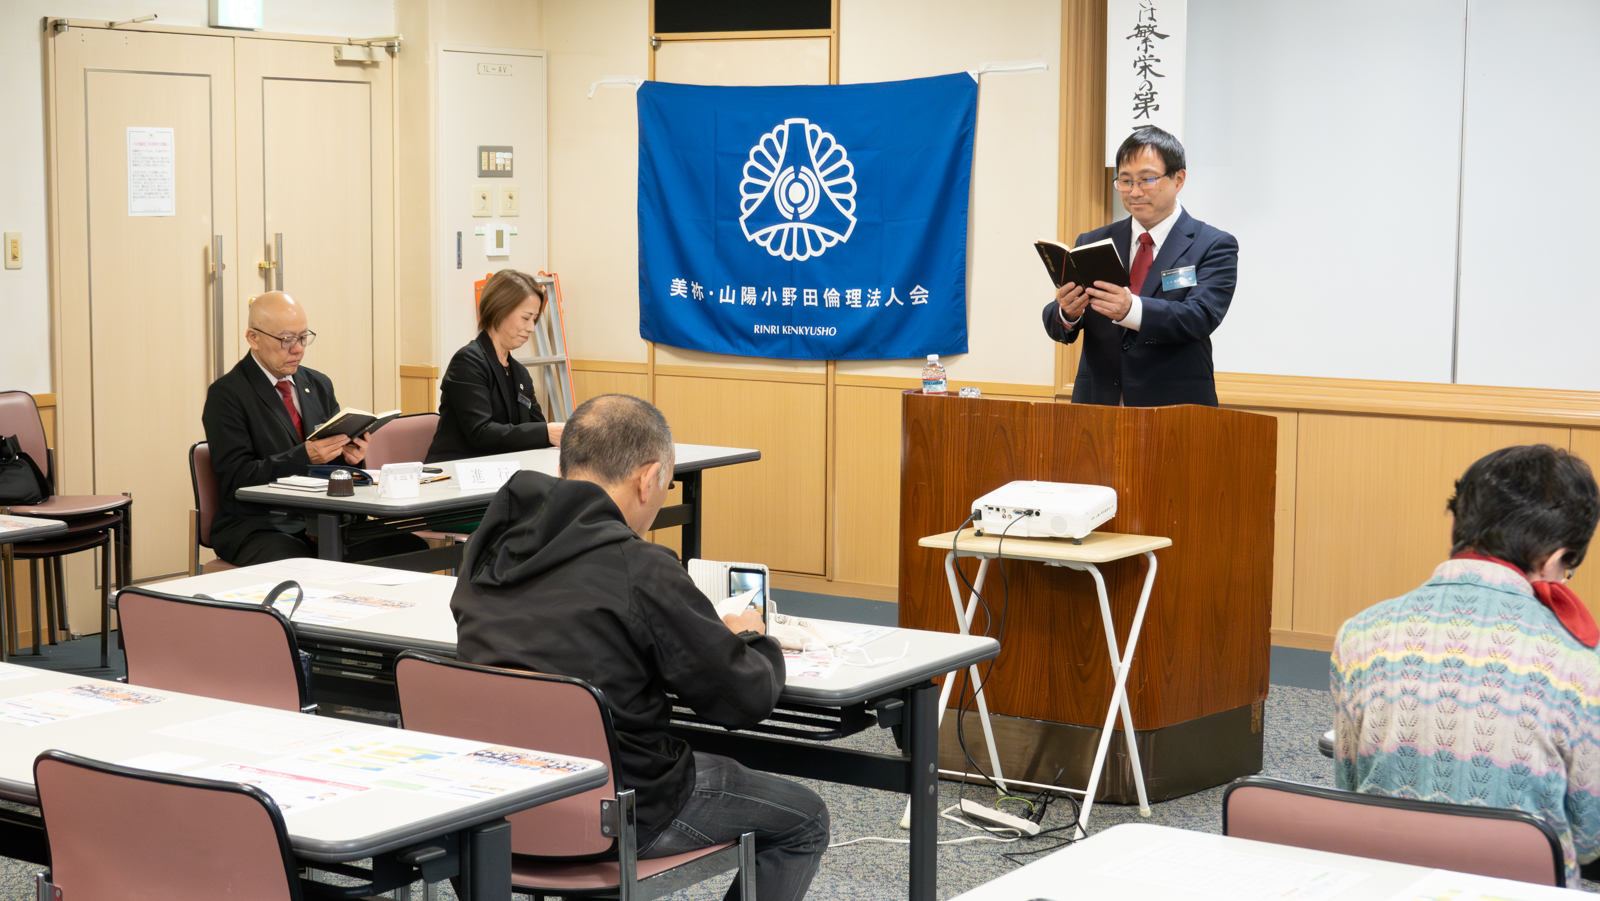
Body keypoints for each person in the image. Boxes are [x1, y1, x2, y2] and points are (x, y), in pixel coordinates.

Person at [451, 394, 828, 901]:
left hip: (493, 805)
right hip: (622, 810)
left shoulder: (487, 551)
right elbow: (743, 698)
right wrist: (748, 636)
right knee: (806, 820)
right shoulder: (640, 568)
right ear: (648, 479)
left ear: (565, 467)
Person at [1332, 445, 1600, 884]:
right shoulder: (1581, 659)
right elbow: (1589, 836)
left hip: (1384, 882)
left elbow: (1347, 789)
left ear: (1456, 524)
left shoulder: (1359, 633)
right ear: (1554, 559)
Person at [202, 292, 426, 566]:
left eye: (303, 337)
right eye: (286, 339)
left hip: (324, 518)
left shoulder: (318, 384)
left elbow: (332, 463)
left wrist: (352, 458)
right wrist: (304, 456)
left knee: (408, 547)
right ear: (253, 338)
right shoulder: (228, 394)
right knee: (298, 562)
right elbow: (237, 478)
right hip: (262, 524)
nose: (297, 349)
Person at [1040, 126, 1238, 406]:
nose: (1134, 191)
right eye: (1125, 180)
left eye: (1147, 179)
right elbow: (1058, 325)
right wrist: (1067, 312)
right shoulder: (1093, 241)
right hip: (1097, 405)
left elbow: (1200, 316)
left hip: (1174, 407)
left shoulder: (1213, 244)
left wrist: (1131, 310)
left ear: (1178, 179)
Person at [425, 269, 562, 463]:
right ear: (500, 311)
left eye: (534, 319)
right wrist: (546, 432)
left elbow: (536, 427)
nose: (531, 328)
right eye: (526, 318)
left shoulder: (520, 373)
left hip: (502, 468)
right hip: (457, 470)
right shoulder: (468, 362)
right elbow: (481, 433)